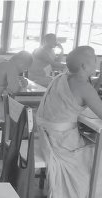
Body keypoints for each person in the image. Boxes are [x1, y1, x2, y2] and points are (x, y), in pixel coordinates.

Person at [36, 46, 102, 198]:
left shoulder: (62, 77)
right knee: (96, 156)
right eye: (94, 59)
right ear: (84, 66)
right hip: (62, 142)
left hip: (47, 134)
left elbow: (89, 94)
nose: (97, 61)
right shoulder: (83, 86)